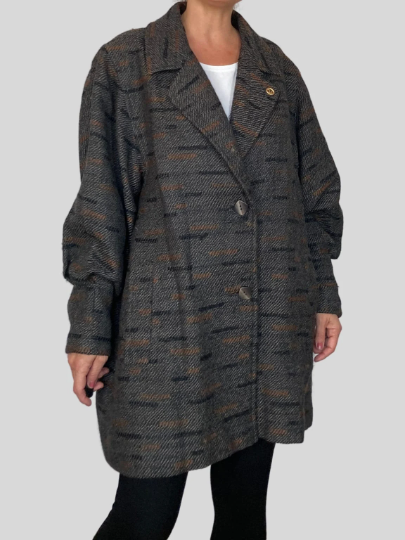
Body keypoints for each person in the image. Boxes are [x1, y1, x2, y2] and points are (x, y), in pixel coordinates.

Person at [62, 1, 343, 538]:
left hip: (268, 326)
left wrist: (323, 293)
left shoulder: (278, 71)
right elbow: (101, 204)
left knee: (243, 515)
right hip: (167, 328)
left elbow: (315, 194)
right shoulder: (127, 62)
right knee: (144, 518)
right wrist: (89, 324)